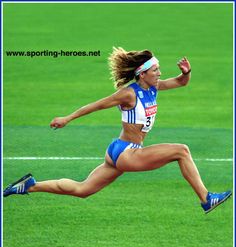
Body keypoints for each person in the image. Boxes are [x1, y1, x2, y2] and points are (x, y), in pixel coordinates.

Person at [3, 47, 232, 214]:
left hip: (117, 150)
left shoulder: (154, 87)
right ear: (142, 74)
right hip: (127, 153)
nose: (160, 73)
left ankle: (30, 185)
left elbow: (182, 83)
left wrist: (186, 72)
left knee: (83, 189)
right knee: (181, 150)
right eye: (156, 70)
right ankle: (206, 199)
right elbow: (96, 105)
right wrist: (67, 118)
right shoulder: (129, 93)